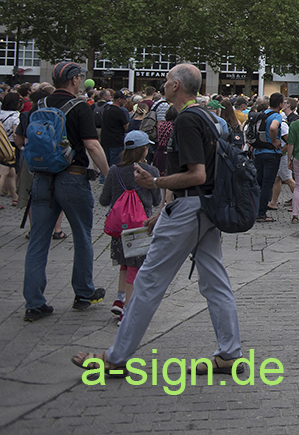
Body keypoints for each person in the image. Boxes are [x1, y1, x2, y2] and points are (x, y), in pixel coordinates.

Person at [72, 63, 244, 376]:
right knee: (215, 281)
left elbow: (196, 174)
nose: (163, 84)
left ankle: (116, 357)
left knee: (149, 280)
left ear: (176, 85)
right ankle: (229, 353)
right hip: (206, 208)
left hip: (189, 208)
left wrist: (154, 183)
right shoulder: (209, 116)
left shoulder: (188, 119)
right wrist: (163, 210)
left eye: (166, 80)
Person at [21, 61, 110, 322]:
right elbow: (92, 145)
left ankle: (34, 303)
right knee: (82, 236)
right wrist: (108, 175)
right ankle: (83, 292)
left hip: (42, 179)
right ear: (73, 80)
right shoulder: (79, 107)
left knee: (38, 241)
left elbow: (21, 139)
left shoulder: (39, 105)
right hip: (73, 177)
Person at [98, 130, 161, 322]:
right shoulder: (151, 171)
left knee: (124, 263)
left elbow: (103, 200)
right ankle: (128, 309)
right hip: (141, 227)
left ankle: (119, 299)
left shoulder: (114, 170)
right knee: (136, 266)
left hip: (119, 228)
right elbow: (156, 200)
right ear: (144, 149)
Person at [253, 93, 284, 222]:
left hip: (258, 151)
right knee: (267, 184)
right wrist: (274, 141)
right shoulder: (276, 116)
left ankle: (254, 209)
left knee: (258, 182)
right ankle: (261, 213)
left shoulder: (261, 114)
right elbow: (273, 127)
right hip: (271, 153)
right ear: (280, 104)